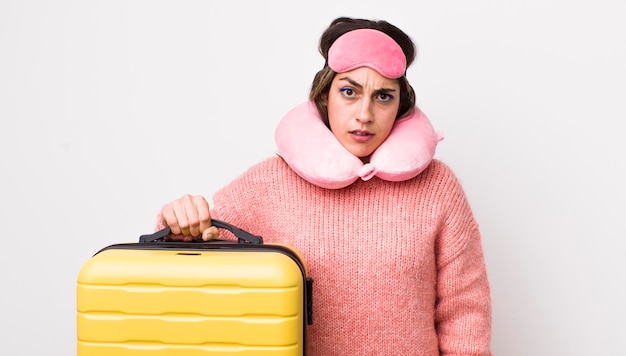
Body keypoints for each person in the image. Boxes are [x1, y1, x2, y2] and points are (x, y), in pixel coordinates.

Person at [157, 16, 492, 355]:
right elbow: (194, 276)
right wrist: (177, 225)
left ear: (400, 106)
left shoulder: (437, 187)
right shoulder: (269, 184)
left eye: (384, 97)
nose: (364, 114)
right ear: (324, 96)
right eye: (349, 92)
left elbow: (464, 313)